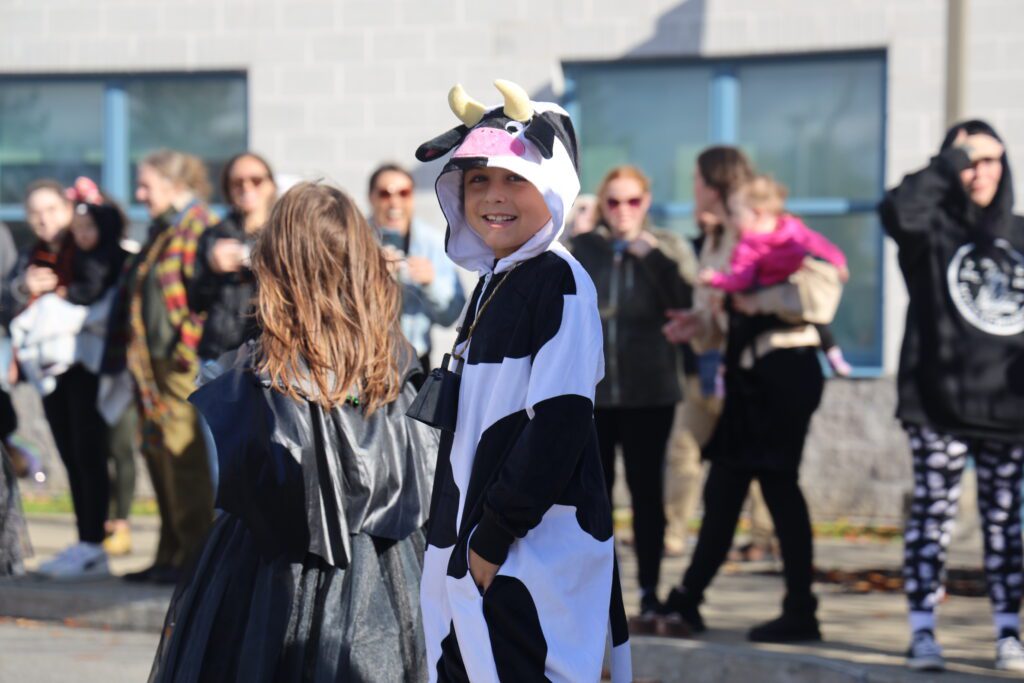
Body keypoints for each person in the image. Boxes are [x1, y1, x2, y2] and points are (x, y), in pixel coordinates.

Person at [149, 182, 436, 681]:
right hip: (385, 567)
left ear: (278, 264)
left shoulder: (262, 371)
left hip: (270, 574)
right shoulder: (392, 365)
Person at [414, 80, 631, 682]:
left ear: (553, 182)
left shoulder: (558, 279)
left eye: (514, 178)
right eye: (477, 180)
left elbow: (558, 425)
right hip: (479, 543)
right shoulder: (498, 276)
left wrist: (489, 542)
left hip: (524, 551)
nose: (492, 197)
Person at [660, 182, 843, 643]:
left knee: (776, 485)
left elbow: (821, 298)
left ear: (759, 212)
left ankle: (799, 608)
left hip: (784, 375)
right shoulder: (741, 251)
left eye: (738, 213)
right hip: (749, 379)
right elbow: (727, 314)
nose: (733, 223)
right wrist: (699, 325)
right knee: (726, 486)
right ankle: (689, 599)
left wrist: (759, 300)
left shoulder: (794, 244)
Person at [879, 120, 1024, 674]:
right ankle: (922, 631)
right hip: (937, 405)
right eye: (967, 159)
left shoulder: (1018, 232)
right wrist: (949, 163)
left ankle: (1008, 631)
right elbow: (895, 210)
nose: (979, 171)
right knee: (932, 516)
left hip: (1006, 412)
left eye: (991, 160)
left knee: (1006, 521)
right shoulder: (929, 232)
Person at [571, 164, 694, 622]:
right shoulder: (584, 247)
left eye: (633, 201)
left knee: (646, 495)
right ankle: (596, 592)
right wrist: (571, 234)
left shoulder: (668, 247)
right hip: (594, 396)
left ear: (646, 203)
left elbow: (686, 301)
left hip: (651, 393)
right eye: (613, 202)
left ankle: (648, 589)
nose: (623, 211)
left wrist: (652, 256)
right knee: (594, 496)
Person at [104, 150, 217, 585]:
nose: (139, 193)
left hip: (179, 361)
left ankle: (193, 555)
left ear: (173, 184)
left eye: (146, 184)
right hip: (151, 364)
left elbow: (202, 295)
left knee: (182, 456)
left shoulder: (197, 225)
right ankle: (170, 551)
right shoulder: (162, 230)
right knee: (158, 455)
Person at [7, 179, 124, 578]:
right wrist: (25, 289)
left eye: (52, 210)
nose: (44, 220)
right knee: (69, 453)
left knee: (90, 451)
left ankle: (95, 542)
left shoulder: (87, 248)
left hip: (86, 365)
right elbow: (6, 306)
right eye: (35, 214)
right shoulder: (29, 257)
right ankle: (85, 540)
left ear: (68, 210)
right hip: (48, 372)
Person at [664, 147, 752, 559]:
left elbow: (748, 301)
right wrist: (695, 323)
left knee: (751, 472)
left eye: (697, 181)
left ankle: (765, 543)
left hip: (747, 374)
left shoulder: (749, 231)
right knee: (683, 450)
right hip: (706, 365)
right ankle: (675, 536)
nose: (693, 190)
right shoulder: (713, 237)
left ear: (714, 184)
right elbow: (714, 310)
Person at [368, 163, 465, 374]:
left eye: (404, 193)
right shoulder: (355, 240)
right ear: (371, 198)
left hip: (415, 363)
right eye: (385, 194)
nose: (395, 202)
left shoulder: (432, 243)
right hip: (366, 360)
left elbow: (452, 316)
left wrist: (430, 283)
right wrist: (370, 278)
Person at [190, 152, 277, 365]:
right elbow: (195, 301)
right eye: (237, 182)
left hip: (269, 352)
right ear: (228, 189)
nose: (247, 187)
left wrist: (259, 262)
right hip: (219, 351)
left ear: (271, 185)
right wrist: (212, 269)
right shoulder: (214, 234)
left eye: (256, 180)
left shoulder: (283, 233)